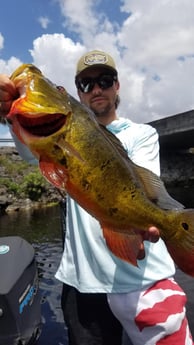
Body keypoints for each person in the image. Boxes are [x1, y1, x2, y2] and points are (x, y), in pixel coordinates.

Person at [0, 50, 193, 345]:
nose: (97, 89)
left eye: (105, 80)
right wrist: (8, 109)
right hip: (83, 286)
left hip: (143, 281)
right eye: (86, 84)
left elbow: (148, 194)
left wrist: (154, 222)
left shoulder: (142, 134)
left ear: (117, 86)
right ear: (78, 91)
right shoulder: (54, 133)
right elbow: (29, 148)